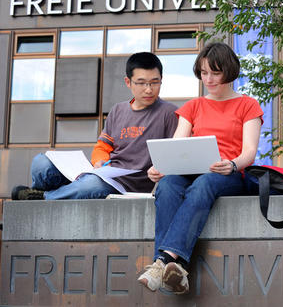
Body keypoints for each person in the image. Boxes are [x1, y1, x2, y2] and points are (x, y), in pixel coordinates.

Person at [138, 42, 263, 294]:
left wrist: (231, 164)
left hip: (228, 173)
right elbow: (177, 145)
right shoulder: (193, 107)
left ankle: (162, 261)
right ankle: (176, 268)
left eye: (215, 73)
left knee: (204, 183)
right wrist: (159, 167)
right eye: (204, 73)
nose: (209, 79)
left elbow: (249, 151)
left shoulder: (248, 105)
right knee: (169, 184)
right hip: (193, 172)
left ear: (229, 71)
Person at [11, 52, 178, 200]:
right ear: (128, 82)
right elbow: (102, 147)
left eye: (154, 82)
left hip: (125, 187)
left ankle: (44, 197)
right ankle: (60, 193)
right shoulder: (118, 110)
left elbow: (173, 154)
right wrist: (99, 162)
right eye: (141, 83)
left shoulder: (169, 113)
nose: (149, 89)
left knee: (91, 185)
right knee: (41, 162)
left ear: (161, 80)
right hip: (101, 173)